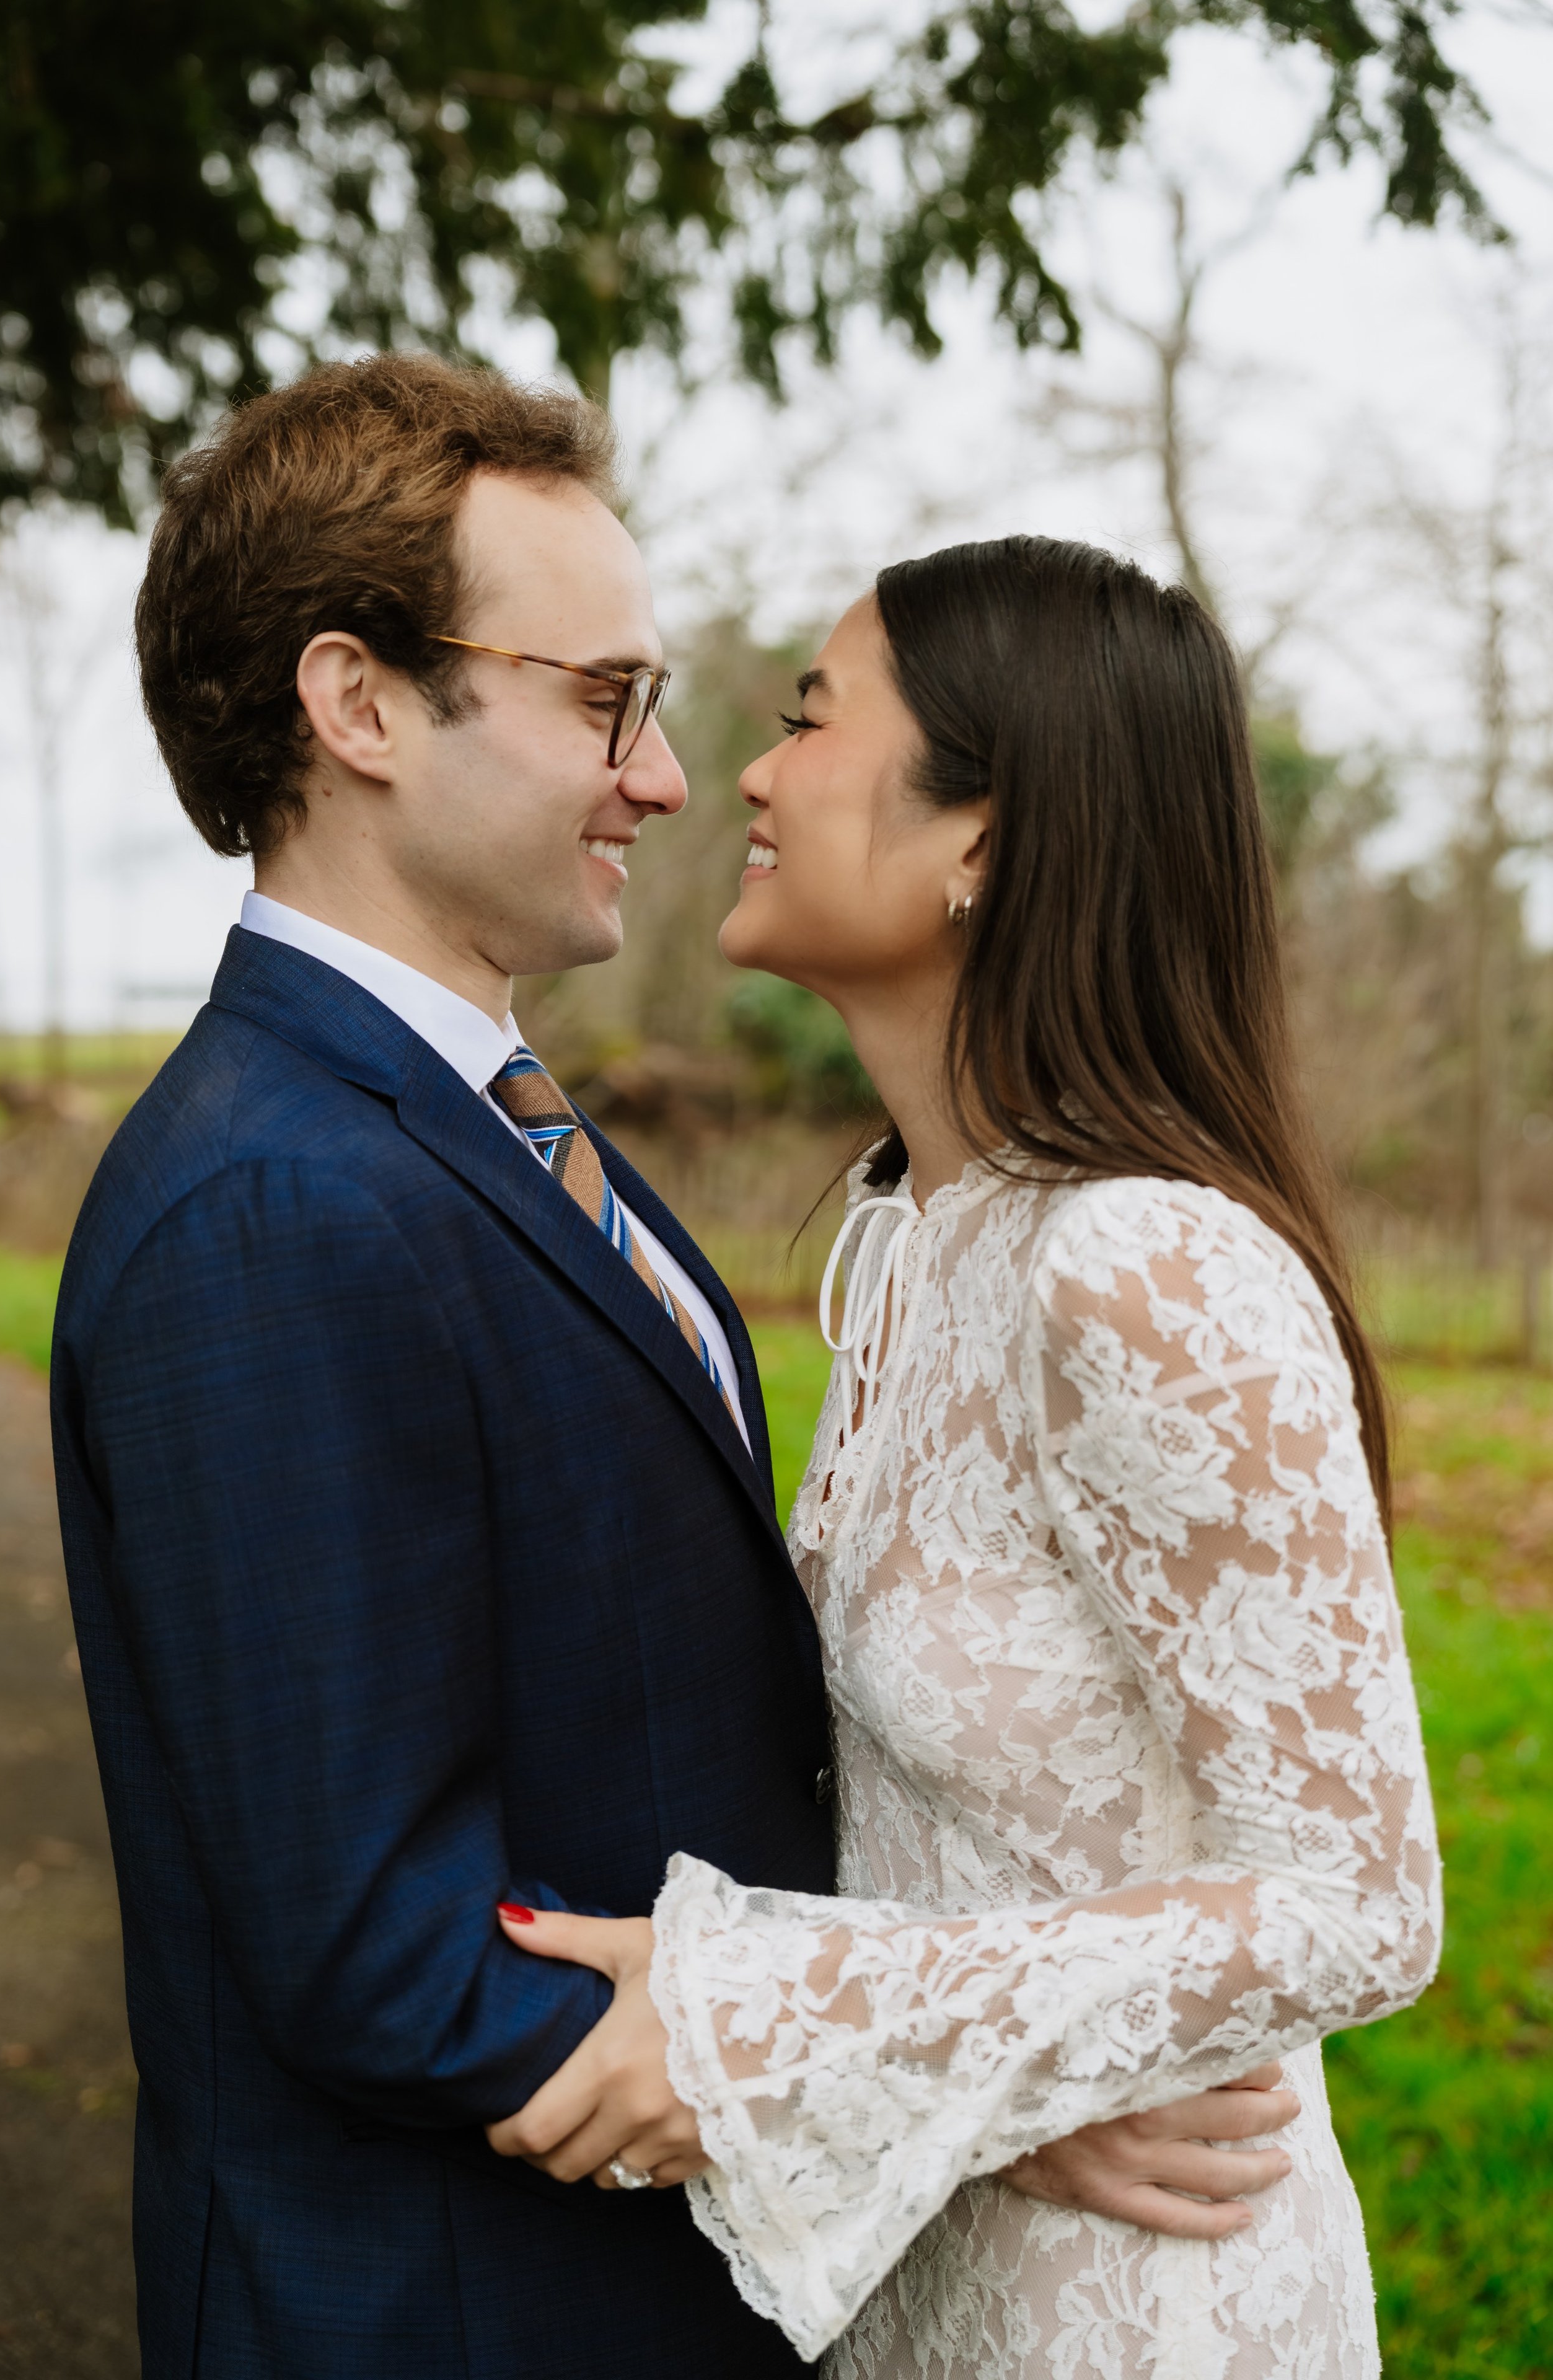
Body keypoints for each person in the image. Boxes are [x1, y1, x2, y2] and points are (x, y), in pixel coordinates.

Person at [51, 358, 1300, 2380]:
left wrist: (948, 2068)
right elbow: (376, 1956)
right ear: (357, 705)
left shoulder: (496, 1130)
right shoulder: (271, 1209)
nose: (661, 771)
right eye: (601, 699)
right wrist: (937, 2096)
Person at [486, 536, 1443, 2378]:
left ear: (985, 840)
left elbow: (1361, 1898)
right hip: (938, 2255)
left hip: (1135, 2308)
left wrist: (774, 2017)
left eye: (809, 721)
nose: (746, 774)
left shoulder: (1143, 1265)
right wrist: (971, 2084)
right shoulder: (916, 1241)